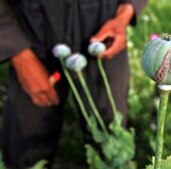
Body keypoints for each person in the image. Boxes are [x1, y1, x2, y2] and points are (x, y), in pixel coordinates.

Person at [0, 0, 147, 168]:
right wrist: (19, 54)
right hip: (32, 31)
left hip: (102, 31)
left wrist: (124, 15)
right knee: (26, 146)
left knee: (110, 144)